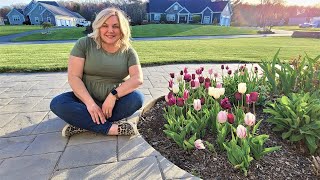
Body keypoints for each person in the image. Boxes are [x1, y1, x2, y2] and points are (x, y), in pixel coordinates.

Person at [50, 7, 144, 137]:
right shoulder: (84, 44)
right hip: (84, 101)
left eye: (115, 26)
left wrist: (112, 96)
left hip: (114, 104)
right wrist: (90, 104)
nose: (110, 30)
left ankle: (84, 124)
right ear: (98, 26)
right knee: (58, 103)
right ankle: (112, 128)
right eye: (105, 25)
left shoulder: (128, 51)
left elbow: (137, 79)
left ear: (122, 29)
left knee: (137, 98)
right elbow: (74, 77)